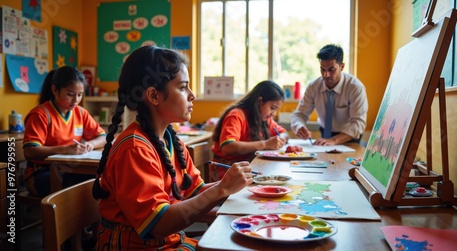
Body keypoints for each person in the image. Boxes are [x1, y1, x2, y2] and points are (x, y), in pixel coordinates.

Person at [92, 45, 254, 250]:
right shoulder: (135, 149)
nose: (192, 95)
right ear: (153, 96)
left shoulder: (170, 139)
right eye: (183, 87)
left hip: (170, 241)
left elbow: (194, 195)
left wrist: (237, 190)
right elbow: (158, 225)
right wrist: (222, 189)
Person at [23, 66, 106, 197]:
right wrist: (65, 149)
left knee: (102, 178)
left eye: (80, 95)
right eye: (70, 94)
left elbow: (102, 137)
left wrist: (91, 144)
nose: (76, 100)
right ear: (55, 90)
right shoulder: (41, 114)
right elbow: (30, 151)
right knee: (84, 185)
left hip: (70, 169)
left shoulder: (80, 112)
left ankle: (87, 217)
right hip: (40, 173)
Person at [210, 80, 289, 182]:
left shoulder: (263, 118)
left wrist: (280, 139)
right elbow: (227, 147)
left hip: (247, 170)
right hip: (226, 174)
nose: (274, 113)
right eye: (272, 108)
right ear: (260, 101)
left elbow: (284, 132)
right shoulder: (237, 115)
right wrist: (265, 144)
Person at [291, 44, 368, 145]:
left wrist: (334, 140)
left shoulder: (355, 88)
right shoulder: (313, 87)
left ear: (342, 67)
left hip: (349, 137)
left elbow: (359, 123)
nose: (326, 75)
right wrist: (299, 126)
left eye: (331, 69)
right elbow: (299, 114)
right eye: (322, 69)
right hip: (325, 134)